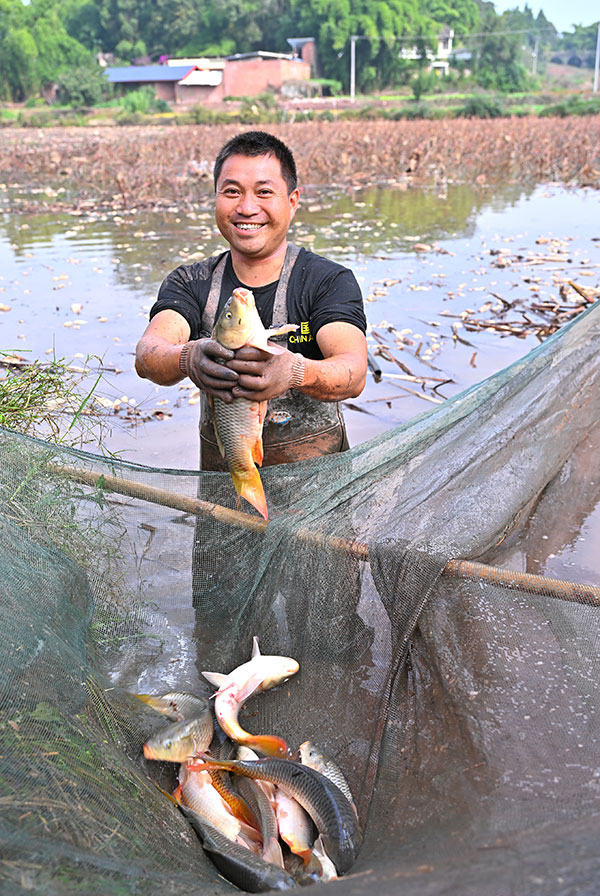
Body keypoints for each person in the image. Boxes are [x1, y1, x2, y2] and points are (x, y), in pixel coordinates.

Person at [135, 130, 368, 469]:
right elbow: (147, 355)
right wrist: (187, 358)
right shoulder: (191, 282)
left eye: (264, 192)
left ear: (292, 201)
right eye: (232, 192)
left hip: (319, 497)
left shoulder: (327, 280)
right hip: (224, 489)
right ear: (215, 198)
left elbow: (354, 371)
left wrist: (296, 372)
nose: (246, 208)